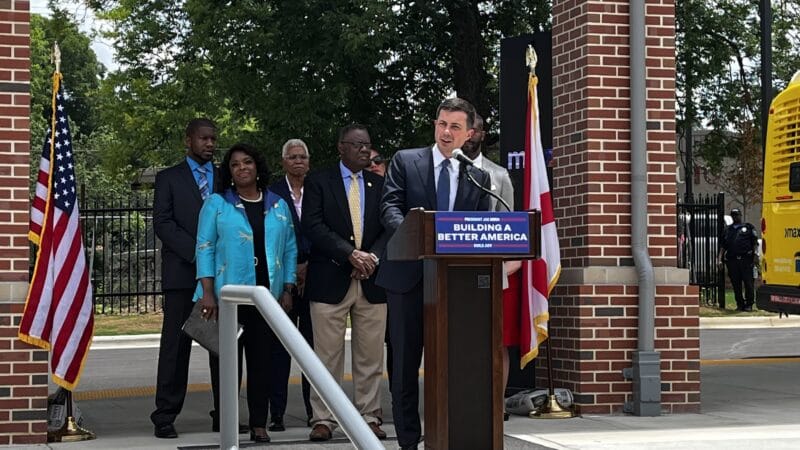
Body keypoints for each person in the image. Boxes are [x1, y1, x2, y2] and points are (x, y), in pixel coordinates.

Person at [378, 98, 491, 450]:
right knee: (405, 367)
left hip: (453, 286)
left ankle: (448, 436)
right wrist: (417, 235)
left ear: (469, 134)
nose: (446, 132)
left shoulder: (479, 176)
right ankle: (409, 442)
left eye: (455, 127)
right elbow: (389, 207)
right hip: (408, 279)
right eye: (442, 124)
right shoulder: (406, 160)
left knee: (452, 367)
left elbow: (480, 230)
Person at [195, 143, 297, 443]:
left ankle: (258, 423)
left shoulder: (278, 204)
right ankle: (227, 422)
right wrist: (208, 292)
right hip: (227, 299)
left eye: (247, 162)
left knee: (262, 363)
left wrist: (288, 287)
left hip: (266, 298)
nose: (242, 168)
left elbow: (290, 248)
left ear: (257, 167)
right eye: (235, 164)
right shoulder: (217, 204)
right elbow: (204, 246)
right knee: (226, 365)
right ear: (229, 172)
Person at [302, 124, 389, 442]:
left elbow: (390, 226)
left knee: (370, 355)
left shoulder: (380, 183)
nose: (365, 150)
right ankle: (324, 418)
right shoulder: (318, 182)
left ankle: (369, 416)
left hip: (372, 280)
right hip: (330, 278)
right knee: (326, 355)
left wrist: (371, 258)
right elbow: (312, 225)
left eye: (368, 145)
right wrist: (349, 254)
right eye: (357, 145)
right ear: (341, 147)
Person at [151, 118, 220, 439]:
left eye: (213, 139)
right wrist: (200, 253)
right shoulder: (168, 179)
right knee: (176, 349)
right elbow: (163, 224)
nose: (210, 144)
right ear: (188, 141)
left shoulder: (225, 177)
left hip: (221, 278)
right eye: (204, 138)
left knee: (222, 347)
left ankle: (226, 413)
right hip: (182, 275)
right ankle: (165, 415)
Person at [462, 112, 518, 419]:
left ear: (482, 135)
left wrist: (504, 269)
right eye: (464, 130)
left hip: (491, 273)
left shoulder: (498, 175)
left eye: (475, 130)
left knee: (495, 342)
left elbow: (511, 229)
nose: (469, 135)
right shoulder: (442, 171)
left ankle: (496, 401)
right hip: (452, 273)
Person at [266, 138, 313, 430]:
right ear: (283, 161)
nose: (298, 161)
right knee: (278, 350)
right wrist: (291, 269)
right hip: (282, 278)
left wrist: (308, 265)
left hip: (315, 277)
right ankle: (277, 414)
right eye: (292, 157)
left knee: (312, 350)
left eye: (303, 157)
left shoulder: (319, 189)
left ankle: (315, 412)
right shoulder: (272, 192)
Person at [718, 208, 759, 311]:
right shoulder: (728, 230)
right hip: (732, 261)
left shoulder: (748, 227)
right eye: (733, 215)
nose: (735, 217)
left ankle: (749, 304)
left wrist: (755, 256)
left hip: (746, 260)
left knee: (748, 283)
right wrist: (719, 259)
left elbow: (755, 243)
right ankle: (740, 304)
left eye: (737, 215)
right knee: (736, 284)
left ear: (740, 215)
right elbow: (723, 246)